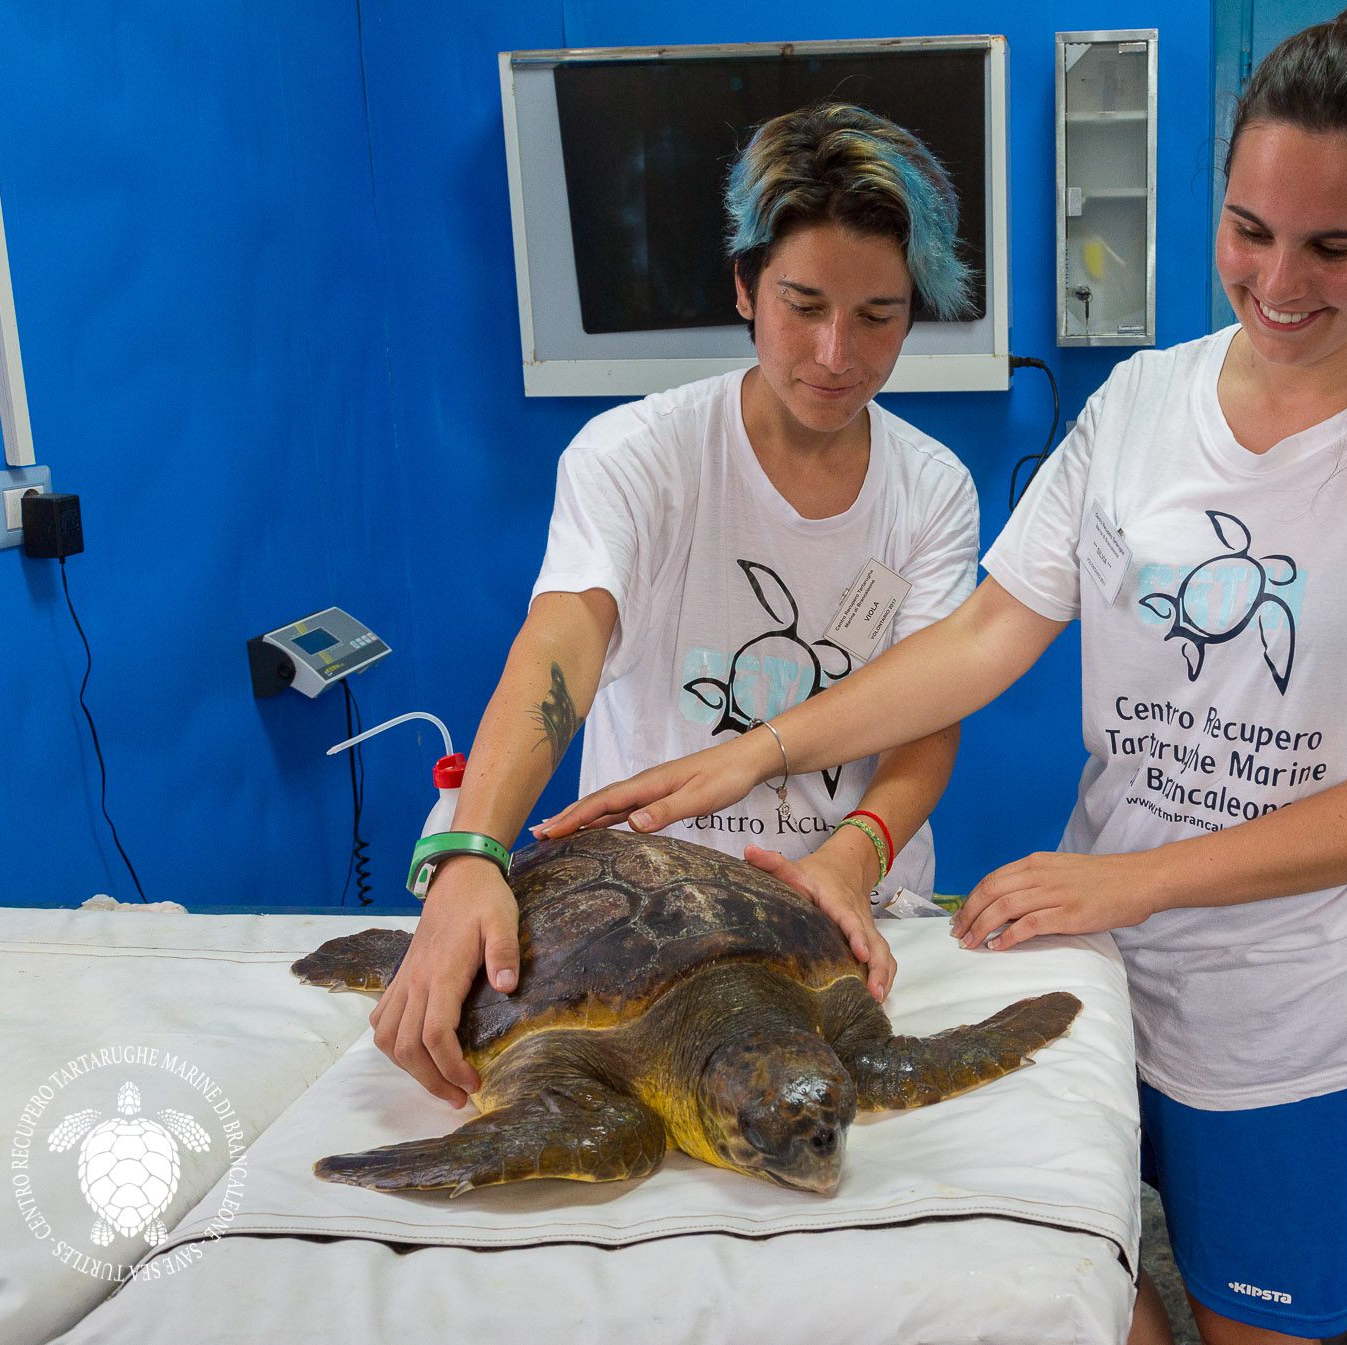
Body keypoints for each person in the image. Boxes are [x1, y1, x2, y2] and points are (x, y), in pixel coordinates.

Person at [539, 1, 1347, 1340]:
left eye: (1335, 249)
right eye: (1247, 232)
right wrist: (760, 750)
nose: (1277, 285)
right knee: (1061, 1288)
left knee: (1246, 1317)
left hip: (1306, 1003)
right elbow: (985, 639)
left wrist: (1134, 879)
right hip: (1096, 963)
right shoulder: (1144, 404)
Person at [370, 103, 979, 1111]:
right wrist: (471, 850)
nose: (836, 353)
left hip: (839, 926)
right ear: (744, 286)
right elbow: (562, 642)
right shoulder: (636, 456)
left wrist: (849, 853)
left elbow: (926, 718)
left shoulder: (933, 488)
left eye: (878, 315)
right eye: (802, 304)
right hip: (647, 937)